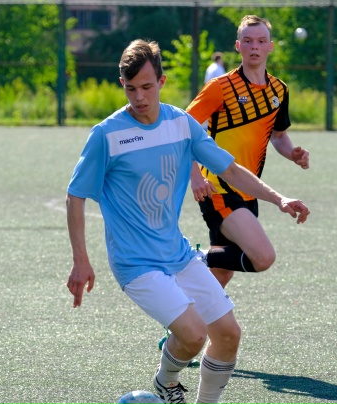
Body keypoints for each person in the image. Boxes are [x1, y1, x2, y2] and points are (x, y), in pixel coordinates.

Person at [65, 39, 310, 404]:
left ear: (161, 82)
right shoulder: (107, 134)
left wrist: (278, 198)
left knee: (228, 334)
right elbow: (75, 195)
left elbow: (230, 169)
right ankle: (166, 381)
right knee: (194, 334)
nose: (139, 97)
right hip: (136, 263)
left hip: (177, 254)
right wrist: (81, 261)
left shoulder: (181, 123)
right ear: (122, 85)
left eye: (147, 87)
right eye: (131, 89)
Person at [186, 15, 310, 289]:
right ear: (238, 45)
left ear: (270, 46)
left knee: (221, 273)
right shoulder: (220, 87)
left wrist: (292, 153)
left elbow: (278, 136)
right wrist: (195, 175)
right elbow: (182, 129)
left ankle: (186, 315)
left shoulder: (279, 90)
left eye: (261, 41)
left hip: (249, 190)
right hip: (217, 188)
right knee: (262, 257)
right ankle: (186, 257)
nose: (255, 46)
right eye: (248, 41)